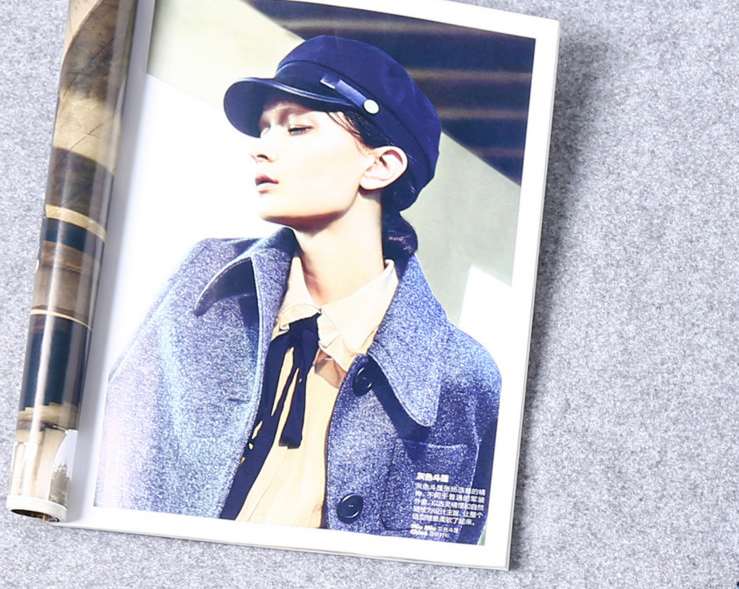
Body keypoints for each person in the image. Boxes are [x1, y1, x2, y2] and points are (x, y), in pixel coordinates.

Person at [95, 35, 500, 543]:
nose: (260, 147)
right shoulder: (202, 282)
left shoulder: (463, 375)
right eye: (265, 127)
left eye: (298, 127)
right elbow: (112, 454)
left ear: (381, 165)